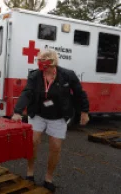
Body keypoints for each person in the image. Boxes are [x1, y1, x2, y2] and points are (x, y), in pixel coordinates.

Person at [12, 49, 89, 192]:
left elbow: (80, 93)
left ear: (50, 62)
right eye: (38, 60)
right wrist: (17, 111)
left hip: (58, 116)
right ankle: (30, 172)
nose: (38, 63)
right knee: (33, 142)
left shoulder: (68, 75)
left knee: (55, 147)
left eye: (41, 60)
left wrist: (84, 111)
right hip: (38, 114)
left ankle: (48, 177)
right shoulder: (35, 75)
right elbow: (27, 92)